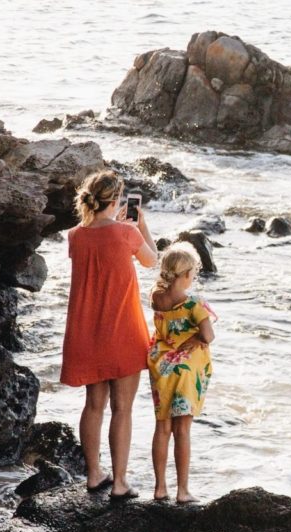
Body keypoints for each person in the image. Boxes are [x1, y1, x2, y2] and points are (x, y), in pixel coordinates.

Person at [60, 170, 157, 500]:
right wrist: (140, 225)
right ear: (117, 201)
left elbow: (95, 245)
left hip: (87, 331)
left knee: (94, 406)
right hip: (123, 330)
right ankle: (119, 482)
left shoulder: (74, 236)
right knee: (123, 409)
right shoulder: (125, 233)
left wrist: (117, 224)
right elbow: (151, 261)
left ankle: (93, 474)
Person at [147, 243, 216, 503]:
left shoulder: (156, 296)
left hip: (161, 365)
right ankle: (183, 490)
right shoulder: (194, 303)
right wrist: (197, 337)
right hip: (186, 369)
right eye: (194, 272)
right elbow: (209, 335)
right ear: (186, 274)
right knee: (183, 430)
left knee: (162, 426)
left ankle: (160, 488)